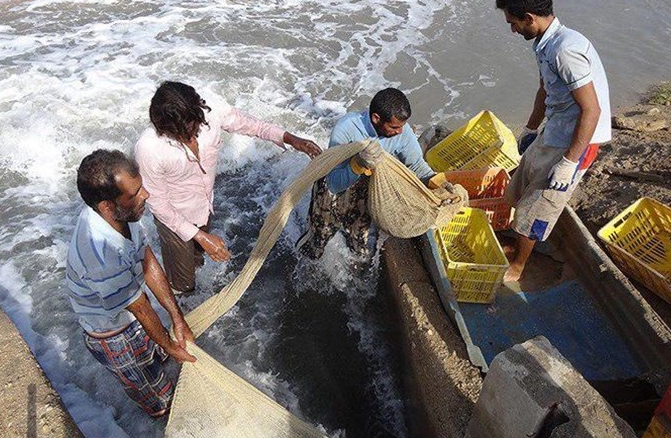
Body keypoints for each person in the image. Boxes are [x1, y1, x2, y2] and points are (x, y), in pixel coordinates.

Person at [135, 82, 322, 295]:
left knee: (197, 261)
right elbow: (159, 205)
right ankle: (182, 305)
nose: (192, 132)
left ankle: (193, 279)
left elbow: (253, 126)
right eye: (182, 131)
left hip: (205, 205)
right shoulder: (149, 148)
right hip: (174, 217)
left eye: (193, 123)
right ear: (164, 127)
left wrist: (291, 139)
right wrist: (201, 237)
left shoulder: (209, 111)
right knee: (183, 284)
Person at [496, 0, 611, 282]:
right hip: (556, 128)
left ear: (529, 17)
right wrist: (531, 129)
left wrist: (570, 162)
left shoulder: (565, 50)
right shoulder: (545, 44)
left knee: (540, 203)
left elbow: (592, 109)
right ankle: (519, 244)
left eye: (514, 23)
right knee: (522, 185)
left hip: (577, 140)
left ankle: (519, 267)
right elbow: (544, 89)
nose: (512, 29)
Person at [66, 149, 195, 418]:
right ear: (106, 207)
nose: (145, 195)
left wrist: (177, 318)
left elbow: (147, 261)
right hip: (111, 333)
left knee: (160, 358)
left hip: (133, 311)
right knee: (159, 398)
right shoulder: (100, 253)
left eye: (141, 187)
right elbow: (140, 308)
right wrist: (171, 345)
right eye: (135, 193)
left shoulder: (125, 214)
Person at [296, 88, 453, 259]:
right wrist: (357, 164)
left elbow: (416, 165)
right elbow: (333, 183)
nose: (399, 131)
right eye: (394, 127)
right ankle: (302, 267)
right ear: (376, 118)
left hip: (365, 192)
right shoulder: (347, 128)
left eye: (402, 126)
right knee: (317, 242)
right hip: (334, 190)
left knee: (360, 245)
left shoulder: (403, 132)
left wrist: (438, 182)